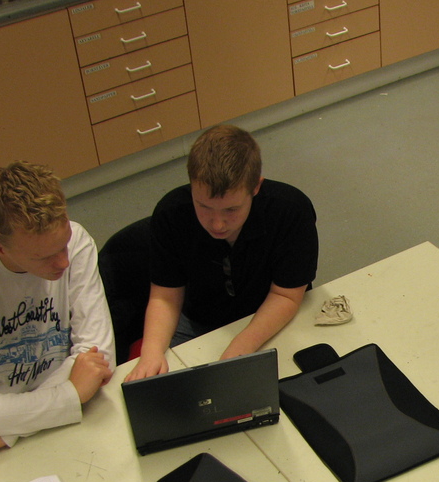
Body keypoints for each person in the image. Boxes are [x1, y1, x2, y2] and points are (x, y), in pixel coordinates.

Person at [0, 161, 115, 464]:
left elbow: (98, 359)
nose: (63, 262)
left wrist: (9, 431)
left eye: (63, 245)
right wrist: (70, 395)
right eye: (43, 257)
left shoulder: (78, 241)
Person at [125, 125, 318, 381]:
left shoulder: (291, 211)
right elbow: (165, 297)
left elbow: (286, 295)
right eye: (204, 206)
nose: (217, 224)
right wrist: (151, 353)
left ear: (256, 187)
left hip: (271, 314)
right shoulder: (171, 214)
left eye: (231, 210)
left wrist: (239, 349)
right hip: (198, 319)